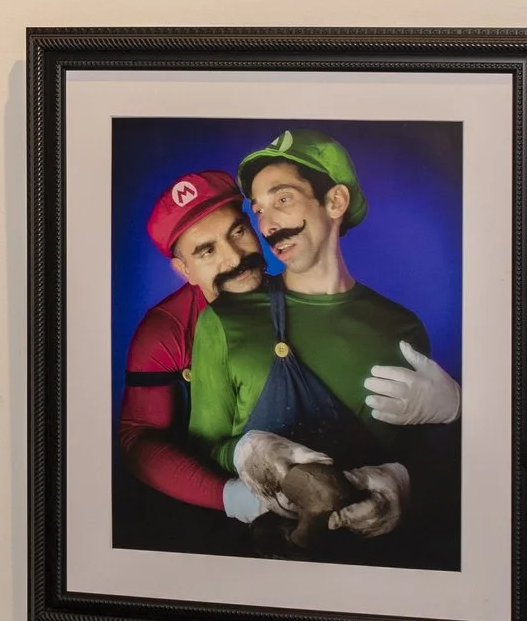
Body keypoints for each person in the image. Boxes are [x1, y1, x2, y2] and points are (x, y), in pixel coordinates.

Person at [184, 131, 465, 556]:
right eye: (258, 210)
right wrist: (246, 452)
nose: (267, 225)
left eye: (282, 199)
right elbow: (203, 448)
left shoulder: (401, 328)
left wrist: (402, 483)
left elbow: (424, 459)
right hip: (259, 561)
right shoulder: (226, 320)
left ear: (335, 201)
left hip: (378, 568)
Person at [117, 170, 272, 522]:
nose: (234, 259)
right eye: (207, 251)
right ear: (183, 269)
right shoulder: (164, 331)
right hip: (205, 512)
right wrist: (229, 497)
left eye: (238, 232)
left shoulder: (303, 297)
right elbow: (138, 439)